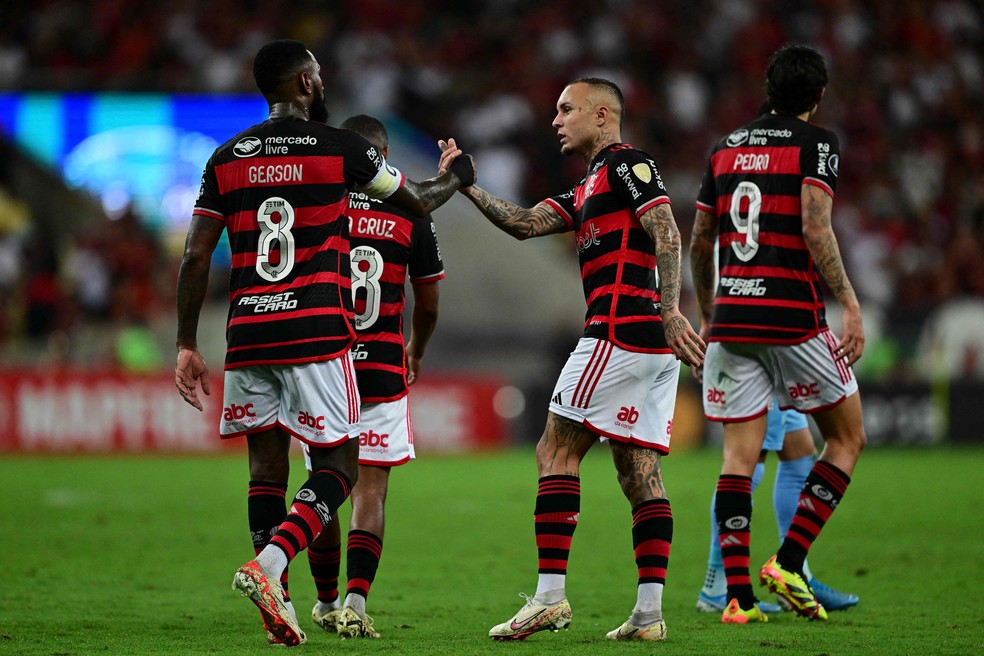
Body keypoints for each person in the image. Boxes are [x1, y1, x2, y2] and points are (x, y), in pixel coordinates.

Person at [174, 39, 474, 647]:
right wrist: (451, 180)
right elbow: (415, 203)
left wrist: (185, 343)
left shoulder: (225, 156)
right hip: (314, 331)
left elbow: (196, 254)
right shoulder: (341, 147)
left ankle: (277, 603)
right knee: (339, 463)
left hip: (248, 333)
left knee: (265, 465)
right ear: (306, 83)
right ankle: (272, 567)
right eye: (319, 73)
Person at [442, 77, 705, 643]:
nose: (556, 120)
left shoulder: (628, 165)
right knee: (639, 474)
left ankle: (550, 598)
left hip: (617, 332)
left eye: (567, 110)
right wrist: (469, 188)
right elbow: (523, 224)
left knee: (554, 449)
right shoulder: (588, 186)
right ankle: (649, 614)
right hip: (647, 344)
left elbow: (667, 230)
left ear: (603, 115)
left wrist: (670, 310)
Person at [690, 44, 867, 624]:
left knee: (737, 461)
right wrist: (848, 300)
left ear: (768, 88)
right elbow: (816, 226)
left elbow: (699, 239)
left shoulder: (724, 149)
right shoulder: (817, 144)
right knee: (846, 440)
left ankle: (737, 598)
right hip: (791, 318)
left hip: (733, 322)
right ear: (818, 96)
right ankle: (789, 561)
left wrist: (711, 309)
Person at [299, 114, 445, 640]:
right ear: (383, 159)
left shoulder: (319, 203)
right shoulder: (411, 211)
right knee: (371, 493)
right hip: (383, 366)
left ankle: (325, 600)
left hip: (324, 366)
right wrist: (417, 348)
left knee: (326, 485)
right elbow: (428, 302)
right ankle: (357, 604)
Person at [696, 402, 859, 614]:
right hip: (761, 375)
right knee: (747, 460)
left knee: (799, 453)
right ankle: (717, 584)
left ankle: (796, 574)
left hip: (779, 375)